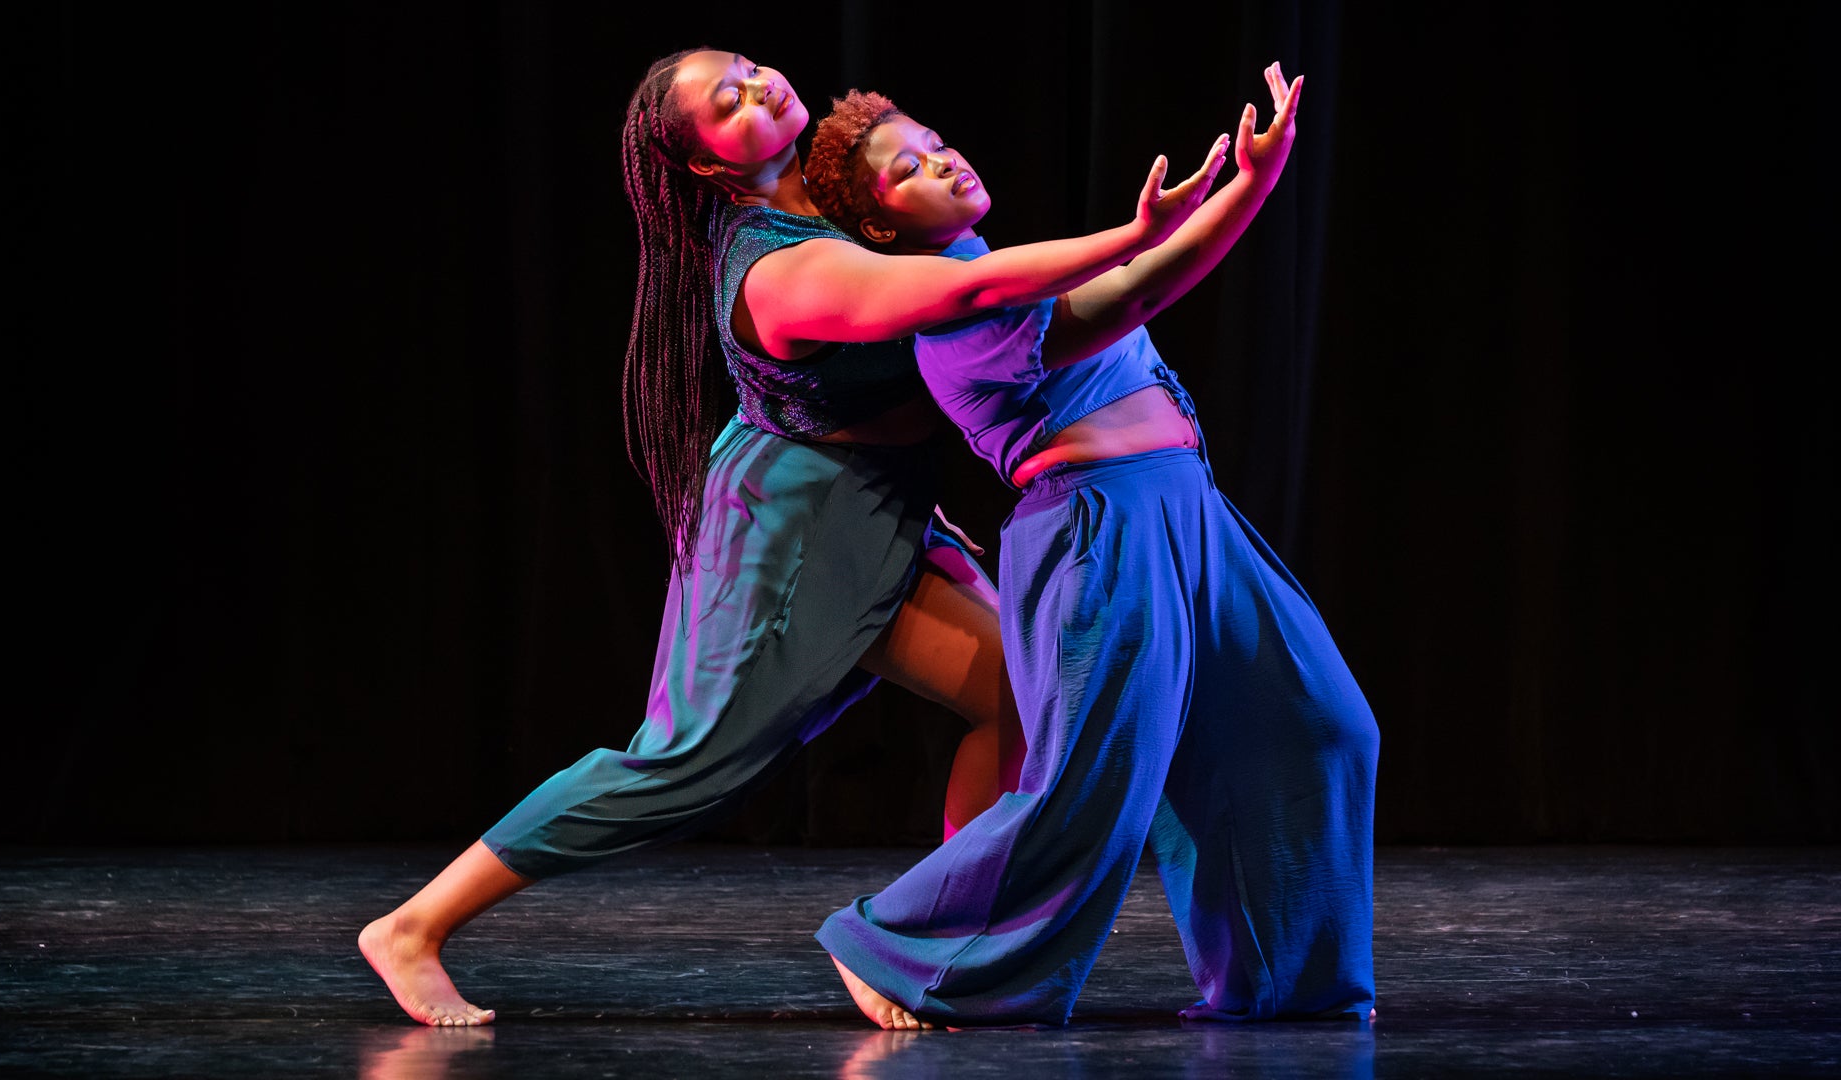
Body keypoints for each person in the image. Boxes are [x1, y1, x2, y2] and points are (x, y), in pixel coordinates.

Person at [359, 46, 1219, 1027]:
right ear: (708, 165)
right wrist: (1135, 239)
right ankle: (414, 927)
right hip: (791, 529)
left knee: (1025, 696)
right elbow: (962, 297)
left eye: (748, 68)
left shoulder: (835, 178)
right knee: (681, 768)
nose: (760, 86)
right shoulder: (780, 271)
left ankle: (924, 943)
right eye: (729, 103)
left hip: (874, 494)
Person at [802, 65, 1379, 1029]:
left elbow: (1126, 279)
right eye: (909, 168)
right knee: (1089, 786)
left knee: (1315, 724)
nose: (942, 159)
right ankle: (895, 950)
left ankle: (1283, 983)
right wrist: (1253, 188)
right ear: (879, 228)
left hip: (1192, 514)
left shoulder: (1016, 265)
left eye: (934, 141)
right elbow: (1130, 296)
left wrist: (1249, 178)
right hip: (1097, 533)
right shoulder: (955, 312)